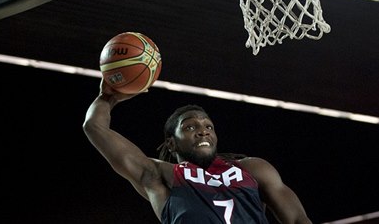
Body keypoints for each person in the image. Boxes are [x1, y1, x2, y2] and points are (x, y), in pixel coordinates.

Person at [83, 79, 313, 223]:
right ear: (171, 143)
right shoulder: (161, 176)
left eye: (208, 126)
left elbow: (296, 219)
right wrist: (108, 97)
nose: (203, 131)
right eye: (190, 126)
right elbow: (94, 127)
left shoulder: (253, 168)